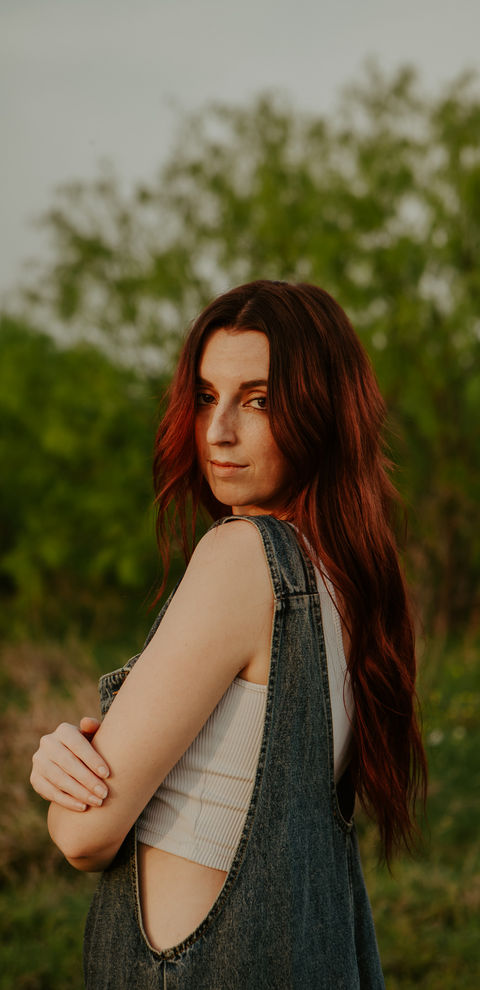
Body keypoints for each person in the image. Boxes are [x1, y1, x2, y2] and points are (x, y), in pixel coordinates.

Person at [30, 280, 427, 989]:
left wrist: (62, 783)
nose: (217, 431)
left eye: (258, 400)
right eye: (207, 397)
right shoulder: (345, 579)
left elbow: (85, 837)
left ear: (320, 412)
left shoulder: (241, 558)